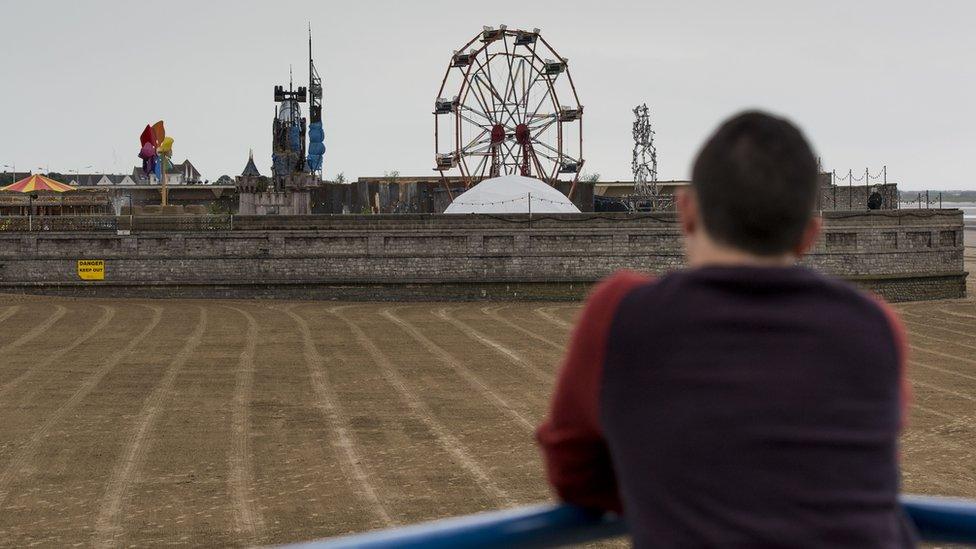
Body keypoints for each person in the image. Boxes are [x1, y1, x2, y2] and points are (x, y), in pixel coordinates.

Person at [536, 111, 914, 547]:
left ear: (686, 209)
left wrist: (671, 498)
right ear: (809, 235)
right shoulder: (874, 326)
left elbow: (574, 472)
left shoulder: (619, 313)